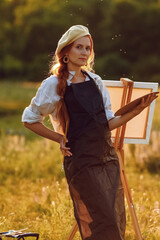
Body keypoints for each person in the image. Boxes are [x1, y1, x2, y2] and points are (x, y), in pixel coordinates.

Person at [22, 25, 158, 240]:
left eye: (88, 48)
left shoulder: (96, 81)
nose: (85, 53)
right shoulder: (54, 84)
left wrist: (138, 107)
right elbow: (30, 120)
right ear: (65, 52)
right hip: (81, 161)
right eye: (79, 47)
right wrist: (58, 137)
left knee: (114, 218)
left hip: (107, 159)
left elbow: (108, 124)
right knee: (104, 221)